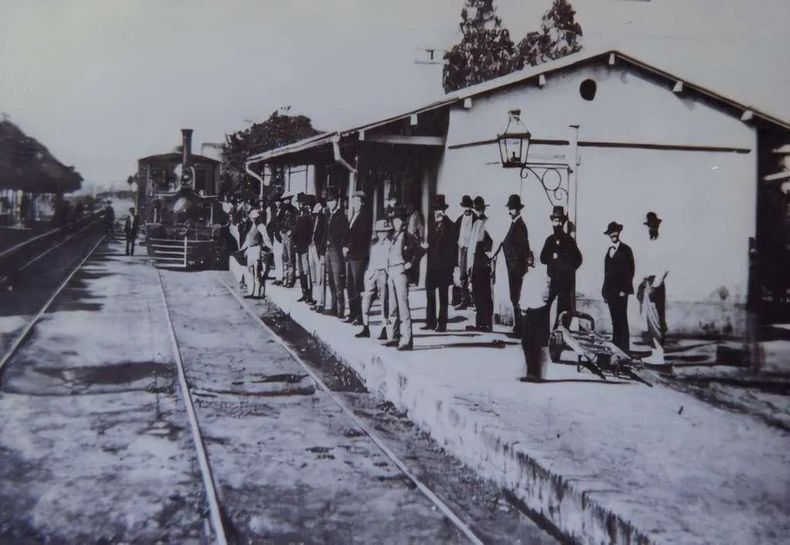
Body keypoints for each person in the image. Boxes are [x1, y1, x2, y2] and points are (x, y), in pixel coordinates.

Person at [385, 206, 424, 350]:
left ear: (403, 222)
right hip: (391, 271)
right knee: (392, 306)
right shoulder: (391, 236)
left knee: (402, 306)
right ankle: (393, 336)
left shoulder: (408, 236)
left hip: (400, 272)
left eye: (399, 220)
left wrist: (410, 263)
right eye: (394, 220)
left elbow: (420, 250)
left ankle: (407, 339)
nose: (396, 223)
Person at [540, 206, 582, 327]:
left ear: (563, 222)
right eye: (555, 221)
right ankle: (547, 333)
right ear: (552, 222)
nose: (557, 223)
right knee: (548, 306)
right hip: (553, 280)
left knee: (563, 309)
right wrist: (550, 256)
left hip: (565, 281)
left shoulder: (569, 241)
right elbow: (543, 259)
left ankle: (560, 335)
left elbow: (578, 259)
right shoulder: (549, 240)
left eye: (559, 221)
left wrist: (567, 268)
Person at [638, 211, 669, 364]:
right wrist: (644, 283)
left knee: (657, 320)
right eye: (649, 226)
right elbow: (646, 266)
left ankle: (660, 354)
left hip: (656, 285)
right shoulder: (649, 244)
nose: (651, 228)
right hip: (648, 284)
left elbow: (665, 268)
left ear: (658, 226)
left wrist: (655, 285)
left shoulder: (662, 244)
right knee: (648, 320)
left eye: (653, 226)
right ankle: (654, 352)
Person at [424, 194, 457, 332]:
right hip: (432, 265)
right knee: (429, 293)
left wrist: (452, 267)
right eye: (436, 209)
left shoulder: (450, 225)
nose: (438, 212)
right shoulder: (432, 224)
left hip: (444, 266)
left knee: (443, 296)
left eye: (440, 209)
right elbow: (429, 242)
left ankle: (442, 324)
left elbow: (452, 247)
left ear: (444, 210)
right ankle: (430, 322)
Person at [500, 194, 532, 338]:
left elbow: (520, 249)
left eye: (512, 208)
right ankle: (517, 327)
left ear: (518, 209)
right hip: (513, 267)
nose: (510, 211)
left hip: (516, 268)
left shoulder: (520, 225)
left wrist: (513, 264)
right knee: (514, 297)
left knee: (516, 298)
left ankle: (519, 329)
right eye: (510, 208)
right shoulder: (515, 224)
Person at [355, 219, 393, 339]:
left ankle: (384, 328)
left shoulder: (390, 245)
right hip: (372, 274)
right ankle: (366, 327)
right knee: (366, 300)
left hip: (384, 274)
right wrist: (368, 276)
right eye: (380, 231)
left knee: (384, 302)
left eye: (385, 231)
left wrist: (387, 276)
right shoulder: (374, 245)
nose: (382, 234)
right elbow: (370, 262)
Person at [602, 221, 635, 353]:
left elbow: (631, 270)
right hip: (610, 293)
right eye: (611, 233)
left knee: (622, 320)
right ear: (609, 235)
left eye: (615, 232)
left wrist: (625, 290)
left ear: (619, 233)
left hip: (621, 292)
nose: (613, 235)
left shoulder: (626, 249)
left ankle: (624, 350)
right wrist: (605, 293)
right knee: (615, 321)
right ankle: (616, 349)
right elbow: (607, 273)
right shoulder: (609, 251)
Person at [519, 259, 551, 382]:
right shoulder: (537, 275)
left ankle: (533, 373)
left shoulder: (532, 275)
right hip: (536, 308)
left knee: (529, 342)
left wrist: (523, 306)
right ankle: (534, 372)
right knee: (532, 343)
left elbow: (528, 293)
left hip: (532, 309)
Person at [343, 191, 372, 325]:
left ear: (362, 203)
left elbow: (361, 237)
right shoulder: (354, 215)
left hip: (358, 256)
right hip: (351, 256)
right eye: (353, 201)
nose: (354, 203)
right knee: (349, 285)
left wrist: (349, 246)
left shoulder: (365, 217)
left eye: (357, 201)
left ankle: (360, 316)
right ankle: (353, 313)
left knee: (357, 286)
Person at [466, 196, 494, 332]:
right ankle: (479, 322)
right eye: (476, 209)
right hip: (475, 260)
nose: (477, 211)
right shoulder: (475, 223)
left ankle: (486, 323)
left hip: (483, 261)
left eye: (479, 209)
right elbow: (471, 245)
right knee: (477, 292)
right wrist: (469, 264)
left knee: (484, 293)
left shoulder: (487, 222)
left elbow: (490, 243)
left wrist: (488, 259)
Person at [324, 190, 349, 318]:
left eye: (332, 201)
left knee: (338, 280)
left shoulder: (341, 216)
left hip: (336, 251)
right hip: (328, 250)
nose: (330, 203)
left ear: (336, 202)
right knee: (331, 281)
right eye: (328, 201)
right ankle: (333, 307)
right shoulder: (328, 215)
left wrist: (333, 240)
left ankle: (340, 309)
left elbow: (345, 234)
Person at [455, 195, 476, 309]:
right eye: (465, 207)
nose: (466, 209)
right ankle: (465, 299)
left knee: (473, 273)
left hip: (472, 249)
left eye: (468, 207)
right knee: (462, 274)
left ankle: (475, 300)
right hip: (462, 248)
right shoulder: (460, 219)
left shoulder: (476, 219)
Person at [293, 195, 315, 304]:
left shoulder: (308, 216)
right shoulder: (298, 214)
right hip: (298, 247)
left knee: (306, 271)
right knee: (301, 271)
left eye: (301, 202)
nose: (300, 204)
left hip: (305, 246)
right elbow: (295, 230)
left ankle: (309, 295)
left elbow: (310, 232)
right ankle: (304, 292)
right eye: (299, 202)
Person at [309, 201, 327, 312]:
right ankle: (315, 299)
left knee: (320, 276)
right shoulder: (312, 218)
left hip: (319, 248)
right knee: (314, 275)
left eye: (319, 206)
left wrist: (322, 251)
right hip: (311, 247)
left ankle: (321, 302)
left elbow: (324, 234)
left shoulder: (324, 219)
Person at [277, 193, 298, 287]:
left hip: (290, 235)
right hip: (283, 234)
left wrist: (291, 231)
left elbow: (297, 223)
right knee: (284, 256)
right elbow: (278, 221)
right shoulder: (282, 210)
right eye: (284, 200)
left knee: (290, 257)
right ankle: (285, 278)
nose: (286, 201)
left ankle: (290, 279)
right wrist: (280, 231)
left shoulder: (294, 210)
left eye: (287, 199)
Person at [405, 201, 425, 286]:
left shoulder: (415, 216)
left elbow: (420, 228)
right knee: (409, 259)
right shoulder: (409, 217)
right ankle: (411, 279)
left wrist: (420, 238)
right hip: (409, 239)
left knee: (414, 260)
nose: (407, 210)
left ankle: (414, 280)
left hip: (414, 239)